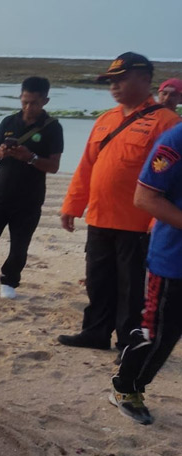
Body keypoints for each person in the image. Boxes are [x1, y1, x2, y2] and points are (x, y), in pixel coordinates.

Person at [58, 52, 180, 354]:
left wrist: (156, 220)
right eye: (111, 81)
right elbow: (87, 166)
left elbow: (174, 180)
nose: (114, 86)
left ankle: (129, 343)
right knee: (98, 282)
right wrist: (72, 205)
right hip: (100, 218)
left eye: (121, 79)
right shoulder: (105, 120)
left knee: (131, 290)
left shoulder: (167, 122)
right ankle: (95, 332)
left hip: (137, 223)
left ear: (145, 79)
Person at [110, 123, 182, 425]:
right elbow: (145, 198)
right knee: (159, 334)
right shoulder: (175, 140)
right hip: (174, 260)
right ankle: (126, 388)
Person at [0, 76, 64, 299]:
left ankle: (9, 282)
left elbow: (54, 166)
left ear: (45, 101)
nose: (29, 107)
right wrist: (0, 153)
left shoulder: (53, 127)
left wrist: (30, 157)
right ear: (20, 97)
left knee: (19, 245)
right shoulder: (9, 122)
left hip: (29, 198)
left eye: (34, 103)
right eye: (25, 101)